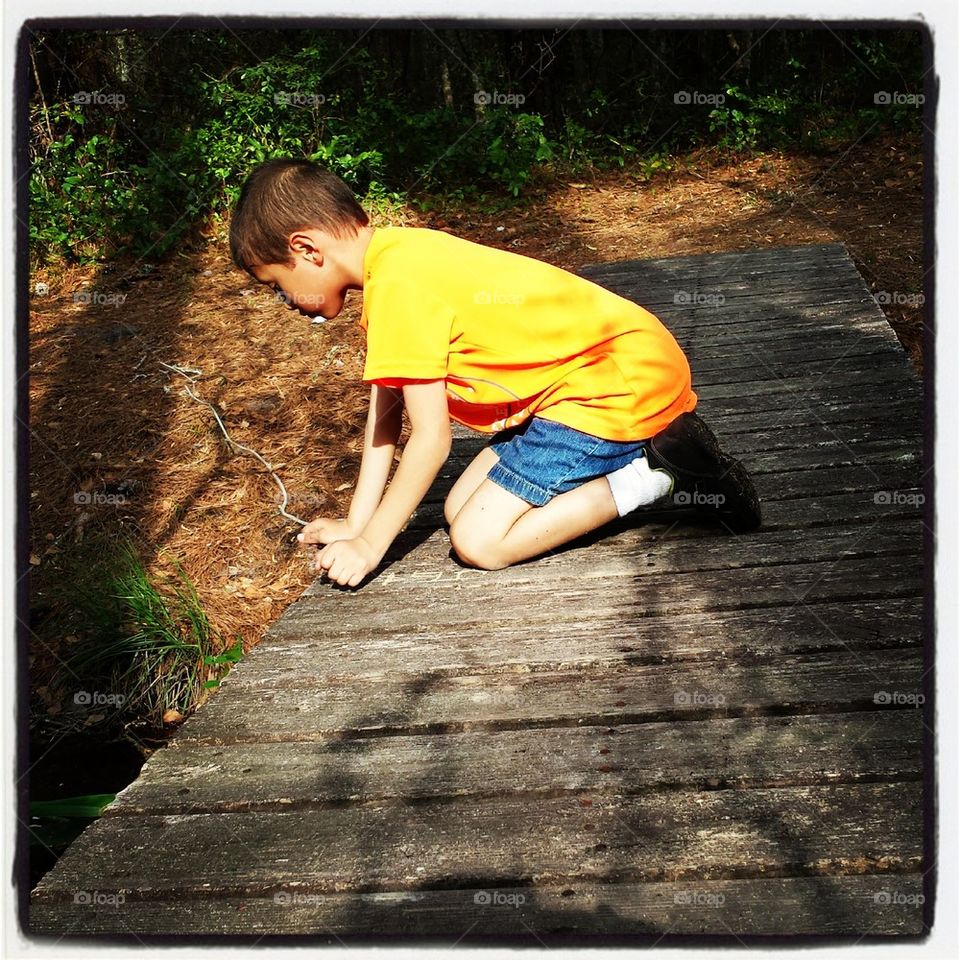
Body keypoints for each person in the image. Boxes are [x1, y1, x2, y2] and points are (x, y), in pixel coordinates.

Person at [229, 158, 760, 587]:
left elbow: (431, 441)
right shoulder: (395, 259)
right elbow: (385, 420)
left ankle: (661, 475)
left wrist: (370, 547)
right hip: (597, 377)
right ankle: (641, 463)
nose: (285, 301)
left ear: (306, 248)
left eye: (277, 282)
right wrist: (357, 523)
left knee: (478, 542)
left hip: (614, 386)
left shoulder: (400, 287)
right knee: (459, 507)